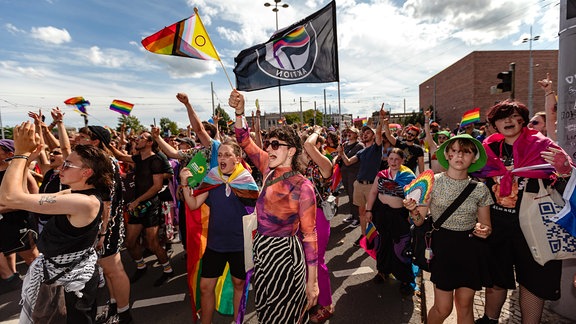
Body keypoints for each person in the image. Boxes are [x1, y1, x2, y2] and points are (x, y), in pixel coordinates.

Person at [0, 121, 114, 324]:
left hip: (70, 283)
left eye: (68, 165)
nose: (62, 167)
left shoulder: (82, 202)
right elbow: (14, 197)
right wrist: (26, 159)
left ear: (86, 172)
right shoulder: (75, 193)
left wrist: (20, 154)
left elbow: (9, 197)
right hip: (65, 276)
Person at [474, 99, 573, 324]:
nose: (507, 121)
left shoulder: (543, 145)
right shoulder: (487, 149)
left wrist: (564, 170)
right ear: (494, 124)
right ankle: (489, 320)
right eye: (501, 117)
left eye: (513, 116)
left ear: (523, 121)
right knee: (496, 278)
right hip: (497, 225)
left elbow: (566, 183)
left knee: (533, 281)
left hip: (534, 224)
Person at [230, 89, 319, 323]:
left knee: (286, 316)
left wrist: (313, 283)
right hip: (263, 252)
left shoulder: (303, 187)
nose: (268, 148)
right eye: (268, 143)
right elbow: (244, 140)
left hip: (285, 257)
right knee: (267, 313)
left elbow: (310, 237)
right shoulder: (267, 169)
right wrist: (239, 112)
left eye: (275, 145)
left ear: (291, 150)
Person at [404, 134, 493, 323]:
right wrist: (413, 211)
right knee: (443, 308)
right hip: (443, 249)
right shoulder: (433, 181)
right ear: (448, 155)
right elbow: (419, 222)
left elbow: (487, 226)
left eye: (466, 152)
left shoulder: (480, 189)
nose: (460, 156)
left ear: (474, 157)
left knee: (465, 304)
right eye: (455, 151)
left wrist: (484, 230)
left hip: (470, 249)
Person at [179, 139, 259, 324]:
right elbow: (193, 204)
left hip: (240, 245)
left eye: (227, 155)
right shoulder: (212, 177)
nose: (222, 158)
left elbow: (258, 210)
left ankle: (238, 321)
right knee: (206, 287)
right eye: (220, 154)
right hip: (216, 244)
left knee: (239, 284)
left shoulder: (246, 180)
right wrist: (184, 184)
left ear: (237, 159)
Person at [108, 131, 175, 287]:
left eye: (141, 138)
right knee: (130, 242)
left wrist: (137, 201)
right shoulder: (138, 158)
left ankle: (168, 270)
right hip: (137, 205)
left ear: (150, 142)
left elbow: (157, 186)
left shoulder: (156, 160)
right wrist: (108, 144)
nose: (137, 140)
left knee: (152, 243)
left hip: (151, 205)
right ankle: (141, 266)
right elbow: (122, 157)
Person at [365, 148, 416, 295]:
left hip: (399, 216)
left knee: (400, 246)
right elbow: (373, 192)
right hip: (380, 213)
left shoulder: (408, 176)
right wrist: (369, 211)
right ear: (387, 159)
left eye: (396, 159)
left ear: (402, 161)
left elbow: (415, 196)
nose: (393, 162)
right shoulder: (381, 174)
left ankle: (405, 279)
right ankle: (383, 271)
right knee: (382, 243)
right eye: (391, 158)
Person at [338, 107, 384, 245]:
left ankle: (376, 237)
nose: (364, 134)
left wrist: (380, 120)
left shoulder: (377, 148)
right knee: (362, 213)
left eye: (368, 132)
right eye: (363, 133)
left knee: (373, 213)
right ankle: (364, 236)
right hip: (359, 184)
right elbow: (347, 162)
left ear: (373, 135)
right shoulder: (361, 152)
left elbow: (380, 133)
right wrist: (341, 153)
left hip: (372, 185)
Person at [302, 126, 334, 323]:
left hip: (318, 217)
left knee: (317, 261)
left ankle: (327, 304)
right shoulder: (301, 167)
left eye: (311, 146)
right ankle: (312, 299)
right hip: (300, 218)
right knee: (304, 262)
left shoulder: (324, 164)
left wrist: (316, 131)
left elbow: (307, 143)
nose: (304, 149)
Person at [335, 127, 364, 227]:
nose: (349, 134)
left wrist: (342, 153)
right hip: (345, 173)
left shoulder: (359, 146)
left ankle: (358, 218)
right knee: (349, 194)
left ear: (356, 134)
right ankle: (353, 215)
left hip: (354, 173)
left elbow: (348, 162)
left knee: (353, 196)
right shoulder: (345, 144)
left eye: (351, 132)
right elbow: (340, 157)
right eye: (348, 132)